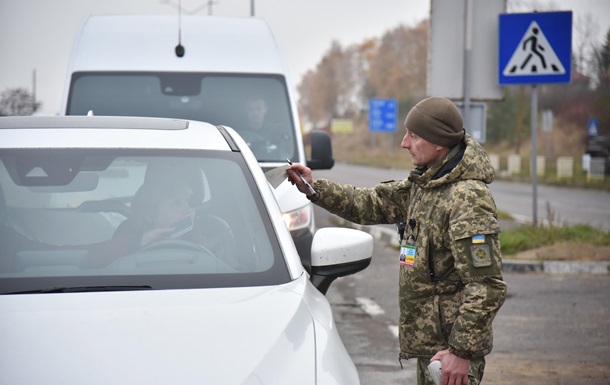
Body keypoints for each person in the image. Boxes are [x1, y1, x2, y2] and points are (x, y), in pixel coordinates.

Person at [287, 96, 507, 385]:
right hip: (433, 348)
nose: (404, 143)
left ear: (439, 142)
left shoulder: (466, 198)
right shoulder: (426, 184)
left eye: (413, 136)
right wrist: (315, 188)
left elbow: (486, 286)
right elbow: (371, 203)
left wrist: (461, 352)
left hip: (451, 354)